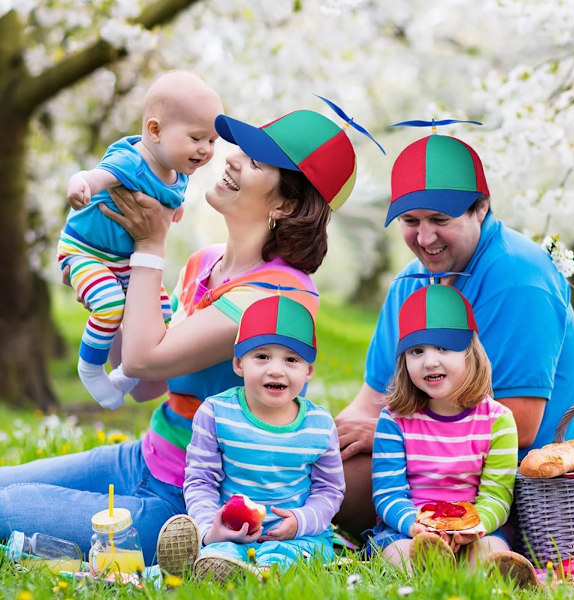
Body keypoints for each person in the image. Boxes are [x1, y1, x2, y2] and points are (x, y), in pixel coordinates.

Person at [0, 107, 358, 564]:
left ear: (285, 205)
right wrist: (108, 291)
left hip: (188, 507)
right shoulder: (205, 263)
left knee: (6, 509)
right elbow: (146, 382)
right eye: (242, 150)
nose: (230, 159)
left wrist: (149, 247)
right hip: (146, 457)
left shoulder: (276, 297)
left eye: (255, 162)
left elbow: (148, 359)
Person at [334, 131, 574, 538]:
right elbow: (370, 402)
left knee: (343, 480)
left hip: (502, 480)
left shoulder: (519, 278)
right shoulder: (409, 284)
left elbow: (518, 425)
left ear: (481, 208)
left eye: (440, 220)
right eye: (411, 222)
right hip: (423, 463)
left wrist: (389, 434)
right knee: (317, 468)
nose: (425, 238)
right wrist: (308, 446)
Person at [57, 70, 223, 410]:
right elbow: (94, 175)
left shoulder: (178, 173)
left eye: (212, 141)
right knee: (109, 305)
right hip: (86, 251)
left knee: (160, 316)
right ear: (155, 130)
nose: (206, 150)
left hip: (123, 262)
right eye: (197, 138)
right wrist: (79, 186)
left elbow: (170, 204)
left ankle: (123, 377)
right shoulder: (132, 161)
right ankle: (90, 367)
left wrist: (171, 215)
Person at [155, 294, 344, 581]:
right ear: (239, 363)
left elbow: (329, 491)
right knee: (221, 553)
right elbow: (201, 480)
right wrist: (210, 529)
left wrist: (300, 521)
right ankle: (212, 562)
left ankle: (261, 572)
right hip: (231, 532)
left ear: (309, 371)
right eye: (262, 356)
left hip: (299, 538)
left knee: (284, 557)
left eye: (291, 359)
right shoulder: (216, 413)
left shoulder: (319, 426)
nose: (276, 369)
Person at [370, 283, 539, 588]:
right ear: (403, 360)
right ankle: (429, 572)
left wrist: (475, 527)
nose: (430, 361)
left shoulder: (498, 421)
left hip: (474, 532)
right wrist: (415, 525)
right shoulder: (394, 420)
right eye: (416, 351)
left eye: (444, 347)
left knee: (492, 550)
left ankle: (486, 577)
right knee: (398, 554)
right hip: (409, 531)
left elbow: (497, 496)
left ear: (470, 352)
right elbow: (388, 493)